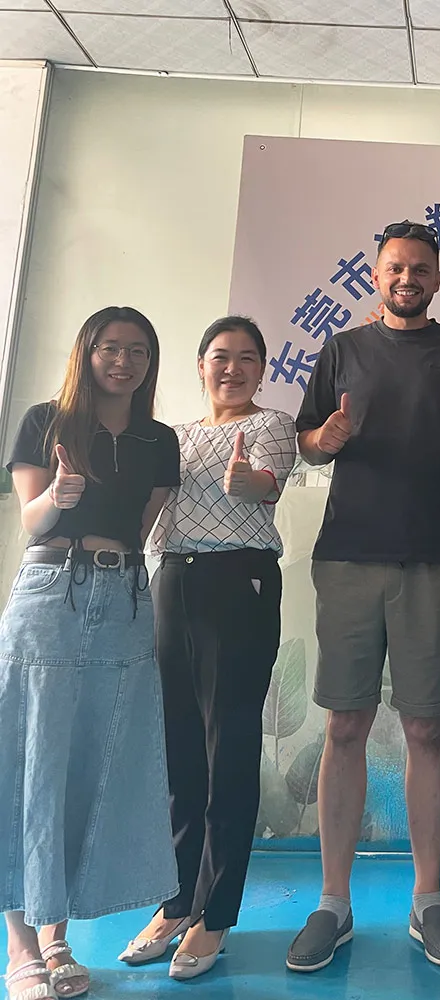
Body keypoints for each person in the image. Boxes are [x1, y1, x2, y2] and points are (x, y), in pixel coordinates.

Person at [286, 221, 440, 973]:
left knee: (427, 728)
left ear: (439, 277)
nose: (407, 278)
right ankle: (332, 904)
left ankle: (428, 900)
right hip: (348, 558)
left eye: (421, 269)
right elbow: (307, 441)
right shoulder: (341, 350)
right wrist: (326, 439)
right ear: (377, 276)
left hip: (436, 560)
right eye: (395, 268)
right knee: (344, 725)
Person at [0, 307, 180, 1000]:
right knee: (30, 762)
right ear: (87, 352)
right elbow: (30, 519)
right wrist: (57, 494)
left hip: (125, 598)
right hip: (50, 592)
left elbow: (140, 530)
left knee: (93, 765)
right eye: (110, 348)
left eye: (138, 350)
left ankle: (57, 936)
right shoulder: (44, 422)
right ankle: (21, 947)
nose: (123, 361)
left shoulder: (158, 440)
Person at [119, 317, 296, 980]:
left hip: (238, 581)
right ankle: (175, 904)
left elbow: (267, 481)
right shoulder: (172, 436)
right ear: (200, 365)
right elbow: (148, 509)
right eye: (221, 356)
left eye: (248, 358)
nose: (233, 368)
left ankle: (215, 914)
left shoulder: (272, 423)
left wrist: (251, 482)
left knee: (230, 749)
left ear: (262, 370)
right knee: (180, 752)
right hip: (173, 581)